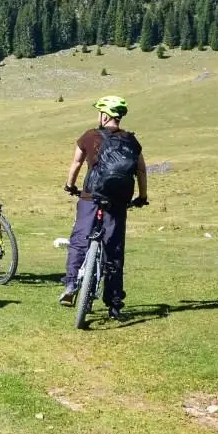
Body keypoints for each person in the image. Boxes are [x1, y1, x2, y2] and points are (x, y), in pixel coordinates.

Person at [60, 95, 147, 320]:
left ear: (105, 115)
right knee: (114, 249)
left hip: (91, 197)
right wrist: (142, 196)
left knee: (80, 238)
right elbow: (141, 171)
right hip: (118, 201)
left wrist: (70, 186)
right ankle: (115, 303)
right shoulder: (131, 141)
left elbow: (77, 163)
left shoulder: (90, 136)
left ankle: (70, 285)